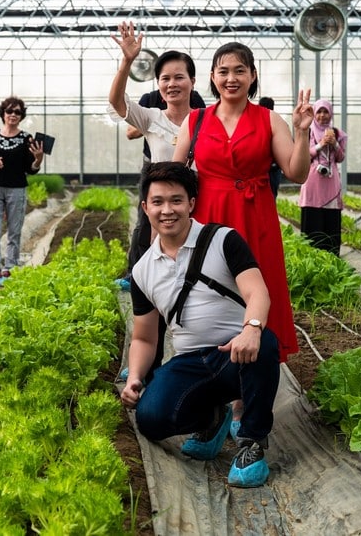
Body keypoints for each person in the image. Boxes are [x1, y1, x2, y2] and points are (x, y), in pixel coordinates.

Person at [119, 162, 280, 488]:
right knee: (150, 418)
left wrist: (251, 328)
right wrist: (135, 376)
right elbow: (145, 339)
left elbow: (258, 291)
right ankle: (212, 417)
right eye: (158, 202)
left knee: (265, 344)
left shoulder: (223, 240)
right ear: (145, 207)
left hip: (236, 353)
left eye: (176, 200)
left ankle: (251, 441)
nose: (167, 210)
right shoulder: (143, 270)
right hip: (191, 362)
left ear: (191, 203)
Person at [171, 42, 313, 365]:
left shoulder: (268, 119)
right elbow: (174, 176)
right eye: (223, 71)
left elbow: (297, 172)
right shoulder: (195, 121)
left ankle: (246, 392)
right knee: (210, 290)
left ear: (252, 76)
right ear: (212, 77)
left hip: (255, 217)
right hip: (208, 218)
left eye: (239, 70)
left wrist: (302, 134)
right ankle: (212, 373)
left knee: (259, 288)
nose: (231, 78)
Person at [108, 21, 201, 290]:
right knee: (162, 275)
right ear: (158, 83)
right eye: (165, 78)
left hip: (199, 204)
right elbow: (116, 102)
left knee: (195, 272)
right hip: (165, 209)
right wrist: (127, 62)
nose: (172, 84)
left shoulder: (205, 119)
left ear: (192, 82)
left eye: (179, 77)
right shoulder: (151, 118)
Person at [0, 97, 44, 287]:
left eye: (17, 112)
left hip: (17, 190)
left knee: (14, 230)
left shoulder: (26, 139)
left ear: (21, 115)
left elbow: (30, 168)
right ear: (3, 114)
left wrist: (38, 159)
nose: (13, 115)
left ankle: (11, 267)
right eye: (9, 111)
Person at [298, 99, 348, 255]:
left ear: (331, 113)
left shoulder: (338, 133)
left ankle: (332, 258)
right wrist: (320, 145)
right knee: (312, 223)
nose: (322, 116)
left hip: (331, 183)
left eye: (326, 111)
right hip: (312, 183)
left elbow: (340, 158)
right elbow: (302, 155)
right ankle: (310, 258)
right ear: (314, 113)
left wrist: (334, 144)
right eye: (319, 111)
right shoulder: (307, 132)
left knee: (331, 223)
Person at [257, 97, 284, 198]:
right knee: (271, 195)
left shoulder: (257, 123)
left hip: (268, 168)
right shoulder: (276, 123)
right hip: (272, 168)